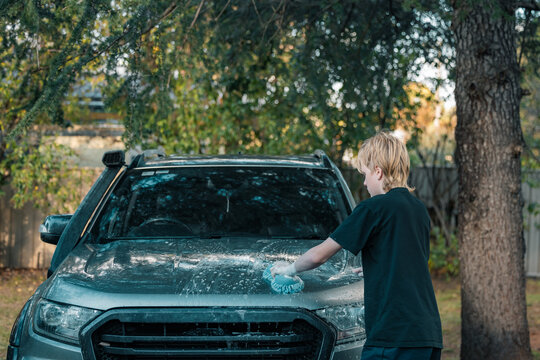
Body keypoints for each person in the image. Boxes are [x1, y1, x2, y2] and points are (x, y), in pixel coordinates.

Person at [271, 131, 443, 360]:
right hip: (427, 333)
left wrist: (289, 269)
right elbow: (410, 261)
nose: (364, 182)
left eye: (365, 174)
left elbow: (319, 256)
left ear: (379, 172)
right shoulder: (418, 209)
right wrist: (377, 269)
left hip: (392, 337)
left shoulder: (373, 208)